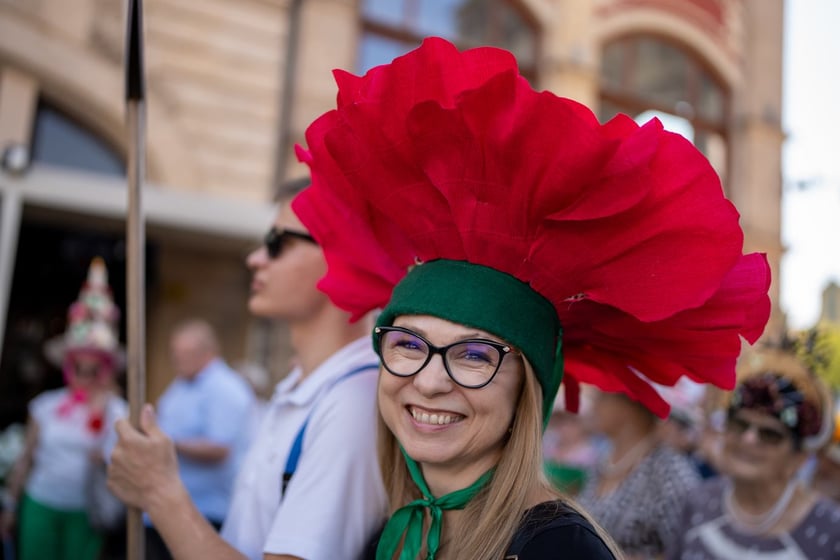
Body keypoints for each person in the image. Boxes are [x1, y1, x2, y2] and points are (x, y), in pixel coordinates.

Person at [289, 37, 772, 559]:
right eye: (407, 344)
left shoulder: (559, 549)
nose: (428, 381)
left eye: (474, 355)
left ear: (527, 389)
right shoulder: (393, 536)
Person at [106, 178, 388, 560]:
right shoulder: (307, 385)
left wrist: (159, 492)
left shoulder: (353, 402)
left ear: (345, 255)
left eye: (277, 242)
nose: (255, 258)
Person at [0, 257, 128, 560]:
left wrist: (105, 403)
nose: (86, 376)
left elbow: (123, 459)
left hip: (86, 511)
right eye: (79, 367)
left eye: (94, 369)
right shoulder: (46, 405)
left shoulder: (116, 410)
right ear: (69, 367)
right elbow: (26, 458)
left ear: (105, 370)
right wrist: (10, 505)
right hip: (41, 502)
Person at [667, 350, 840, 559]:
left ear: (798, 458)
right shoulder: (698, 501)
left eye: (769, 434)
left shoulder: (829, 530)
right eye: (740, 424)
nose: (749, 439)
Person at [145, 319, 255, 559]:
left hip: (205, 512)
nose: (177, 360)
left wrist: (166, 442)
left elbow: (220, 448)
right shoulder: (182, 383)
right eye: (175, 353)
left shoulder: (225, 388)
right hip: (170, 506)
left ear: (208, 352)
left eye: (185, 354)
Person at [577, 389, 701, 558]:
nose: (594, 405)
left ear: (630, 405)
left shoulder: (669, 470)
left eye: (603, 396)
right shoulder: (604, 459)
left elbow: (689, 549)